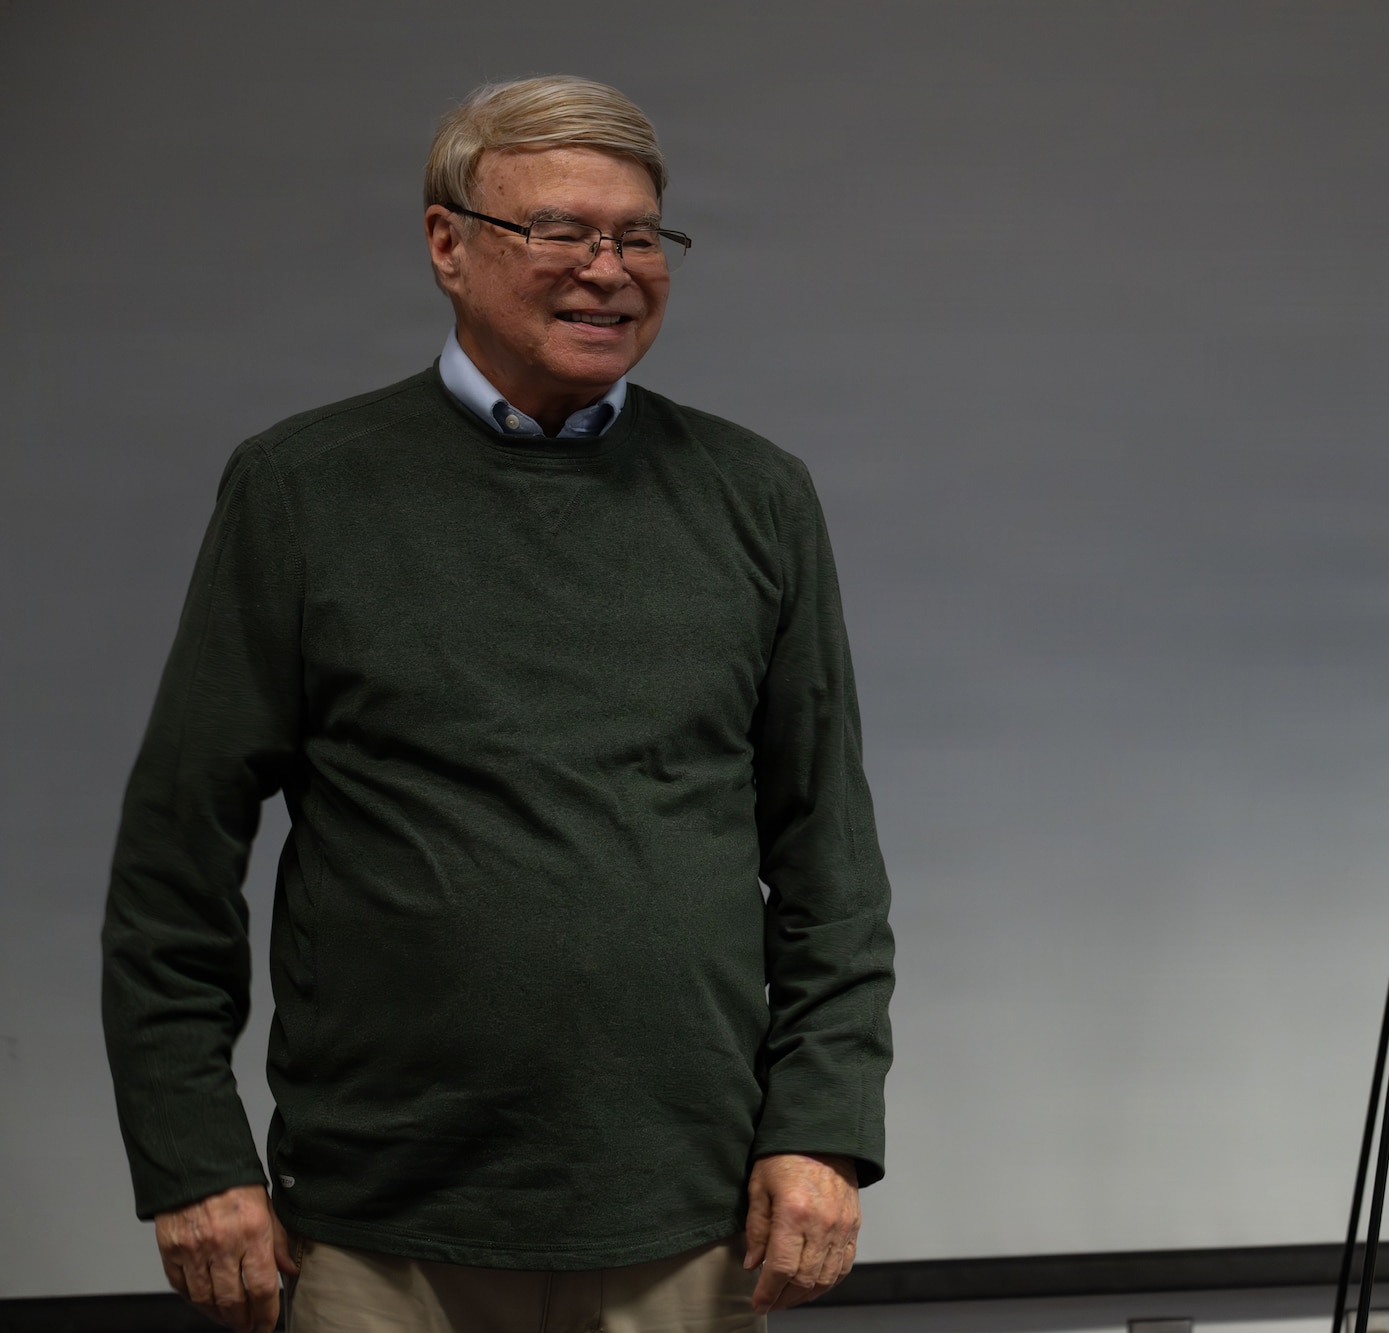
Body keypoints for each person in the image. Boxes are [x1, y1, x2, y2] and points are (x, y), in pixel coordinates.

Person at [100, 76, 894, 1333]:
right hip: (377, 1228)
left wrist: (824, 1130)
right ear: (446, 243)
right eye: (562, 232)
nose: (608, 270)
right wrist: (193, 1153)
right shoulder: (303, 491)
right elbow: (174, 857)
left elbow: (828, 862)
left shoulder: (757, 497)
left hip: (687, 1216)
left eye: (638, 236)